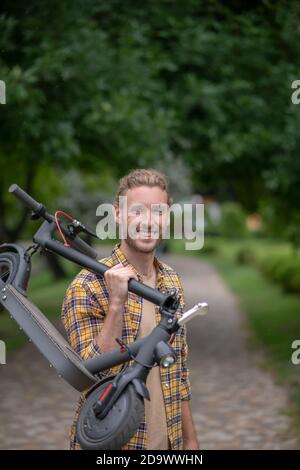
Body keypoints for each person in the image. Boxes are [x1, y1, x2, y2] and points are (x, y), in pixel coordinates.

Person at [61, 168, 199, 450]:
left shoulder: (171, 281)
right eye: (137, 211)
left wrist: (190, 440)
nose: (148, 222)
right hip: (114, 445)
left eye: (158, 212)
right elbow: (88, 377)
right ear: (118, 214)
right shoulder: (87, 286)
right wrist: (116, 304)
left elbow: (179, 370)